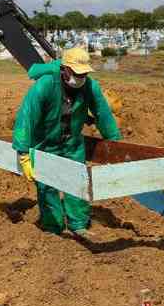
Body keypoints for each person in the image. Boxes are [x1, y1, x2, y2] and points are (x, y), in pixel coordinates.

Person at [12, 47, 121, 239]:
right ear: (65, 69)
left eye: (84, 73)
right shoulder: (46, 85)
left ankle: (78, 224)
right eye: (77, 73)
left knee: (77, 181)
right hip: (45, 143)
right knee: (47, 187)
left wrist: (115, 145)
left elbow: (103, 114)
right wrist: (23, 153)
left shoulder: (89, 87)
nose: (81, 77)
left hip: (72, 143)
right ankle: (53, 228)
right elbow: (26, 117)